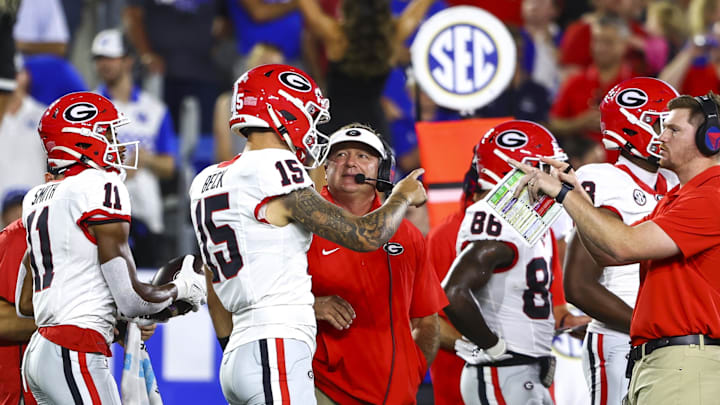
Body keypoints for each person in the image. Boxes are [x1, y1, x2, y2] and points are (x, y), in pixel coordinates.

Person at [190, 64, 427, 405]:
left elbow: (213, 277)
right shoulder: (276, 169)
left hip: (240, 351)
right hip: (276, 348)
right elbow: (364, 235)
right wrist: (402, 195)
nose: (314, 126)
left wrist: (238, 347)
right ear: (283, 111)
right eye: (310, 113)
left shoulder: (208, 179)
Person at [511, 91, 720, 405]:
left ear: (711, 139)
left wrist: (563, 195)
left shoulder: (710, 195)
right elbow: (606, 252)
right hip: (662, 357)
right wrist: (578, 196)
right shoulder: (676, 198)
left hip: (685, 359)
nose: (661, 136)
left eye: (673, 129)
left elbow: (622, 245)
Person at [18, 91, 207, 404]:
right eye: (108, 132)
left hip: (39, 353)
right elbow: (132, 300)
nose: (117, 143)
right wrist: (179, 288)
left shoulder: (38, 197)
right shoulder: (100, 186)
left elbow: (26, 302)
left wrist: (114, 319)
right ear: (82, 139)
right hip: (75, 350)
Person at [306, 124, 446, 404]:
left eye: (363, 156)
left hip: (394, 394)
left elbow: (427, 319)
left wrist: (412, 370)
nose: (350, 163)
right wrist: (311, 305)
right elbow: (259, 298)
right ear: (324, 168)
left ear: (383, 172)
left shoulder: (408, 235)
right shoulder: (300, 225)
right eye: (340, 154)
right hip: (324, 389)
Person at [562, 77, 680, 405]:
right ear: (632, 128)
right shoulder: (604, 178)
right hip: (622, 340)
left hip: (663, 339)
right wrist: (650, 328)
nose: (672, 135)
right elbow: (579, 284)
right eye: (664, 125)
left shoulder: (673, 181)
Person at [442, 120, 569, 405]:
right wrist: (496, 348)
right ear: (515, 169)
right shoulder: (497, 217)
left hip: (520, 371)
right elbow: (452, 293)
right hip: (501, 373)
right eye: (544, 166)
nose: (554, 174)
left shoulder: (528, 217)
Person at [91, 28, 179, 267]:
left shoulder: (155, 110)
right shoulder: (89, 107)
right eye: (99, 58)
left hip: (147, 215)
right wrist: (119, 165)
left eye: (110, 57)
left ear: (128, 60)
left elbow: (170, 166)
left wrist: (142, 159)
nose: (104, 64)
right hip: (101, 214)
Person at [298, 0, 436, 138]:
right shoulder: (392, 37)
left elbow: (313, 16)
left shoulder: (337, 37)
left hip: (333, 127)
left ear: (346, 9)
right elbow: (413, 16)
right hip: (374, 128)